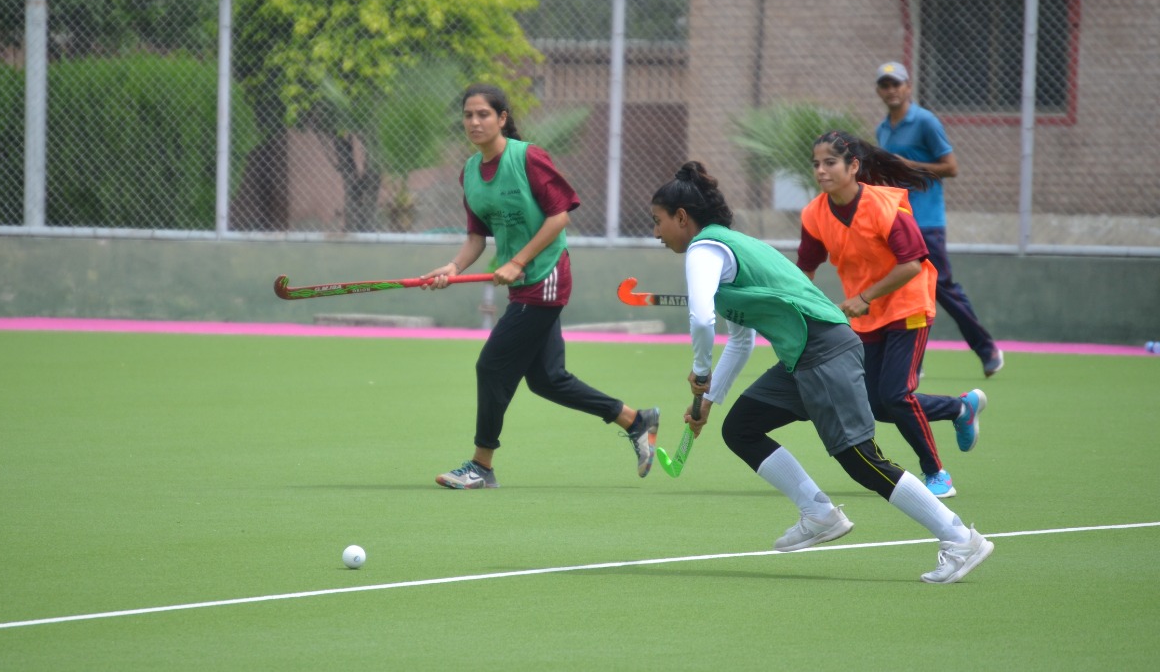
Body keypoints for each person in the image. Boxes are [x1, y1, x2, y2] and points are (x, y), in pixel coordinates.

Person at [649, 161, 994, 583]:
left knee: (861, 460)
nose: (656, 232)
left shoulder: (705, 249)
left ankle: (959, 537)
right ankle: (818, 514)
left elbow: (701, 319)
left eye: (658, 221)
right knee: (741, 427)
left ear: (682, 217)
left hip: (822, 350)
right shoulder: (729, 249)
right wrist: (705, 400)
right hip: (802, 356)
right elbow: (741, 340)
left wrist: (701, 372)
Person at [422, 83, 660, 489]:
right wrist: (452, 267)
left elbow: (559, 216)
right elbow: (477, 238)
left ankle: (482, 466)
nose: (475, 122)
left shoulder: (527, 157)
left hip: (545, 277)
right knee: (548, 379)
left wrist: (517, 261)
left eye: (483, 114)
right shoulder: (470, 173)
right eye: (468, 115)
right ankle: (636, 420)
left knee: (492, 366)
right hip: (522, 283)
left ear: (501, 118)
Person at [798, 130, 987, 498]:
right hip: (868, 315)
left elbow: (913, 264)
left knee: (897, 395)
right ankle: (960, 409)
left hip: (908, 304)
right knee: (876, 404)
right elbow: (805, 271)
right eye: (816, 164)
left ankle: (936, 473)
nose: (821, 171)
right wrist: (795, 304)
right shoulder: (815, 214)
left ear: (853, 167)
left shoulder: (885, 206)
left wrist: (865, 296)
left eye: (830, 163)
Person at [874, 61, 1004, 378]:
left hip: (927, 222)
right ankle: (911, 364)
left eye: (896, 84)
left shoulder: (925, 122)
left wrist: (910, 165)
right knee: (901, 292)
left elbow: (951, 167)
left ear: (908, 87)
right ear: (879, 90)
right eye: (885, 85)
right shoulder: (882, 129)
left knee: (941, 289)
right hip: (897, 222)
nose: (891, 90)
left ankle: (987, 349)